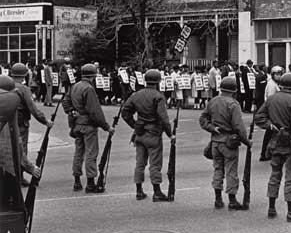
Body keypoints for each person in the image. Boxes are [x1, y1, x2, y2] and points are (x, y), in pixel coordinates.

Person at [0, 75, 42, 233]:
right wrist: (29, 167)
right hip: (6, 177)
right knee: (13, 217)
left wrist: (29, 167)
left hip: (8, 174)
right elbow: (15, 146)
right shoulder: (7, 112)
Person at [255, 73, 291, 222]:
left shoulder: (272, 99)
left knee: (275, 175)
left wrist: (270, 126)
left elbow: (259, 117)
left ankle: (271, 208)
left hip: (275, 141)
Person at [122, 69, 175, 202]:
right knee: (155, 164)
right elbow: (163, 118)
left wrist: (134, 125)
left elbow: (125, 113)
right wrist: (170, 135)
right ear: (158, 81)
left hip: (139, 133)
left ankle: (139, 191)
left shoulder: (136, 95)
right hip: (153, 134)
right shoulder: (158, 96)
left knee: (140, 163)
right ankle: (157, 192)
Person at [199, 76, 251, 210]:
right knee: (231, 171)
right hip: (229, 142)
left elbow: (203, 118)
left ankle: (218, 199)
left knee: (218, 170)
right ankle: (232, 201)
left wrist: (211, 128)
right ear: (234, 90)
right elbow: (239, 126)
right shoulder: (233, 104)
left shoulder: (213, 101)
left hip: (215, 141)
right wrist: (247, 141)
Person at [62, 63, 115, 193]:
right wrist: (106, 127)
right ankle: (90, 183)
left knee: (79, 153)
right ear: (93, 76)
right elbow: (94, 111)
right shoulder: (89, 89)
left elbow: (65, 101)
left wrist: (71, 111)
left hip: (77, 125)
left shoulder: (75, 86)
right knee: (91, 153)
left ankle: (77, 181)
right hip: (88, 125)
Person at [10, 63, 53, 186]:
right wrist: (45, 121)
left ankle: (12, 177)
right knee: (21, 150)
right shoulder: (23, 89)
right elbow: (33, 109)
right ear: (24, 75)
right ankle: (20, 177)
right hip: (21, 123)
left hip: (7, 123)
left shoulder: (6, 86)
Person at [259, 65, 284, 161]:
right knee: (270, 132)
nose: (279, 76)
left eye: (280, 74)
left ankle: (268, 152)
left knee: (273, 133)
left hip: (274, 111)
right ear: (273, 74)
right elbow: (271, 100)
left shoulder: (276, 84)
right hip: (272, 112)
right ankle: (264, 153)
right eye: (277, 74)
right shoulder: (271, 85)